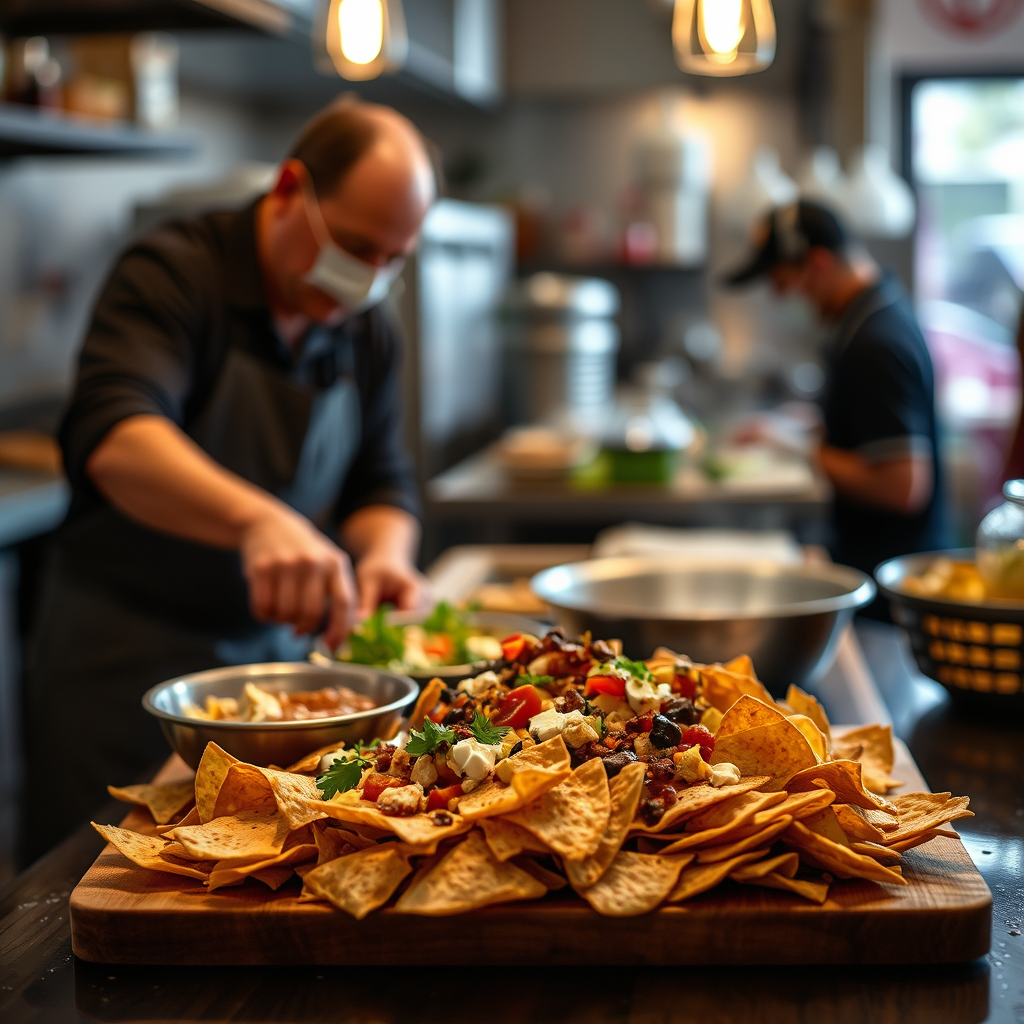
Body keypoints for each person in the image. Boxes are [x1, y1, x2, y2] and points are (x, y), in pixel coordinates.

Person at [21, 98, 434, 859]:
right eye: (354, 246)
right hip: (122, 660)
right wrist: (260, 521)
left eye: (392, 259)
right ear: (288, 192)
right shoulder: (177, 273)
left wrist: (386, 556)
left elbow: (382, 476)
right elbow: (116, 433)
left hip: (271, 676)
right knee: (82, 897)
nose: (365, 279)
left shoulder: (365, 327)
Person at [724, 200, 949, 584]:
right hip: (874, 566)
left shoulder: (875, 342)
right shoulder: (870, 316)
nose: (781, 299)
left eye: (783, 284)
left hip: (889, 589)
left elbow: (903, 486)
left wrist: (799, 449)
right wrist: (810, 426)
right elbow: (871, 432)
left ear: (818, 265)